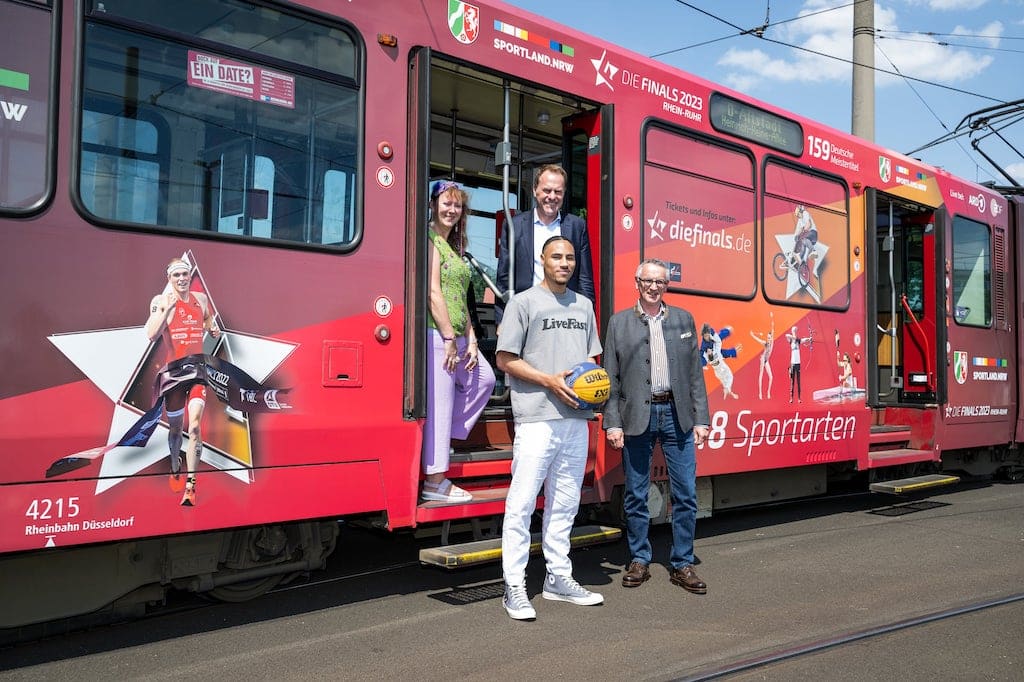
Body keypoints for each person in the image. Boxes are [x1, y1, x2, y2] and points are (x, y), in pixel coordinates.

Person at [496, 235, 604, 620]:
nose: (564, 263)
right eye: (556, 256)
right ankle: (514, 585)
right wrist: (549, 381)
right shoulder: (523, 303)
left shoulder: (585, 306)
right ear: (543, 260)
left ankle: (558, 578)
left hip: (576, 419)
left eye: (570, 258)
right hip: (537, 416)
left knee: (565, 504)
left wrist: (596, 392)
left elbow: (592, 360)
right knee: (522, 504)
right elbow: (506, 359)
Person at [603, 259, 711, 594]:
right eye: (648, 281)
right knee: (635, 494)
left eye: (660, 282)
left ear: (667, 285)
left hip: (677, 416)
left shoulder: (683, 319)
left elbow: (695, 374)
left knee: (686, 494)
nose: (653, 287)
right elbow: (611, 378)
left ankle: (682, 563)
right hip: (638, 417)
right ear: (637, 282)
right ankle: (639, 559)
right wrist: (613, 423)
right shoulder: (619, 323)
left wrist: (701, 418)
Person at [422, 180, 496, 502]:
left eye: (457, 205)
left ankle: (441, 441)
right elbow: (433, 292)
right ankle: (435, 481)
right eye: (446, 203)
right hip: (438, 335)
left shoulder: (454, 247)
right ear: (433, 204)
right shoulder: (429, 240)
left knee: (485, 379)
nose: (451, 210)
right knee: (441, 404)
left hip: (459, 337)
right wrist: (449, 337)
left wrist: (472, 338)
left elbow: (461, 298)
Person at [145, 258, 220, 506]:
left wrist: (212, 328)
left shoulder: (200, 299)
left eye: (185, 274)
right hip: (174, 374)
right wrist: (165, 311)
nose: (181, 279)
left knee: (196, 426)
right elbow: (150, 334)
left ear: (190, 277)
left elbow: (208, 319)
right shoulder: (161, 301)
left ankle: (191, 485)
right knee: (176, 429)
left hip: (197, 370)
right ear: (170, 279)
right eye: (176, 275)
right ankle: (175, 459)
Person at [495, 164, 594, 323]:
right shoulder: (514, 225)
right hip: (526, 313)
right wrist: (502, 320)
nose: (552, 196)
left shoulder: (577, 226)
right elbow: (504, 276)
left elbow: (585, 278)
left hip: (566, 313)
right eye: (547, 190)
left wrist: (588, 319)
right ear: (535, 190)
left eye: (558, 191)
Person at [750, 312, 775, 400]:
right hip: (763, 358)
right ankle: (760, 393)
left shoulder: (772, 342)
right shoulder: (765, 343)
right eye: (767, 337)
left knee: (771, 377)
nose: (768, 339)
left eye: (769, 337)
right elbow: (758, 339)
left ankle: (768, 392)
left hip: (766, 360)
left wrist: (772, 318)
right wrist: (752, 335)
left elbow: (772, 329)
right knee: (761, 374)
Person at [785, 325, 813, 403]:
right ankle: (791, 398)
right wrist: (793, 337)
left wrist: (809, 339)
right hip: (792, 364)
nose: (795, 332)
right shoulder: (790, 340)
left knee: (798, 381)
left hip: (798, 364)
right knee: (792, 382)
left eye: (795, 331)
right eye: (793, 331)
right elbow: (786, 335)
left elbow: (805, 340)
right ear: (792, 331)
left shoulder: (798, 340)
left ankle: (799, 398)